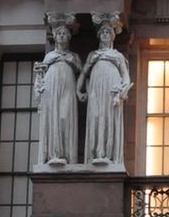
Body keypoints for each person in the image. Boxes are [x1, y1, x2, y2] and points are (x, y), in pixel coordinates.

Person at [78, 14, 132, 166]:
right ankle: (95, 153)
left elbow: (126, 77)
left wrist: (122, 91)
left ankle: (107, 154)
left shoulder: (117, 56)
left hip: (111, 89)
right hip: (95, 90)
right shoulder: (93, 55)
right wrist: (78, 90)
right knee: (96, 117)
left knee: (108, 118)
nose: (105, 35)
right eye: (102, 32)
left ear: (112, 36)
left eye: (107, 32)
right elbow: (83, 73)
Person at [35, 18, 82, 167]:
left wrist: (80, 90)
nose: (61, 36)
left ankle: (67, 155)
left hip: (68, 86)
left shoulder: (74, 57)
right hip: (52, 86)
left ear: (68, 37)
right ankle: (54, 154)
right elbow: (41, 74)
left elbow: (82, 73)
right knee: (53, 117)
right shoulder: (49, 56)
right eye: (59, 33)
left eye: (64, 33)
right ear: (55, 37)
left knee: (65, 116)